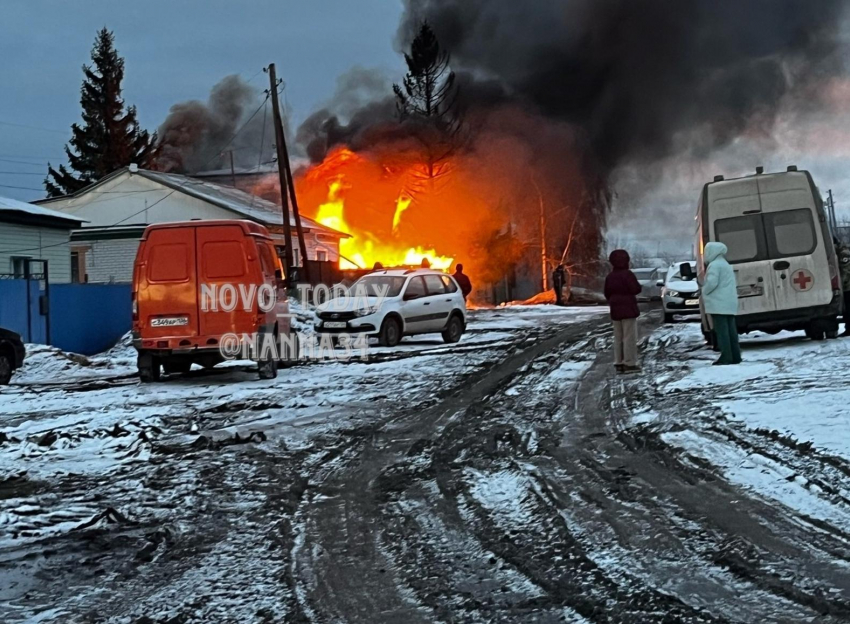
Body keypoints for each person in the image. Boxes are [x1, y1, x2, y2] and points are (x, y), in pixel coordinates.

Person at [702, 242, 741, 365]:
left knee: (722, 332)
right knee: (731, 331)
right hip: (729, 303)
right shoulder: (725, 264)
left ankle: (726, 356)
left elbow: (712, 283)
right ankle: (735, 355)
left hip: (718, 304)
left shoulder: (714, 265)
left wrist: (704, 290)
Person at [604, 249, 642, 373]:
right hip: (628, 308)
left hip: (615, 308)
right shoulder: (628, 274)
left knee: (618, 336)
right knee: (629, 336)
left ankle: (618, 362)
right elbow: (635, 289)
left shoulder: (610, 276)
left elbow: (607, 293)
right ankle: (629, 363)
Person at [834, 238, 850, 336]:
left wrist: (841, 285)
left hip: (848, 286)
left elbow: (846, 270)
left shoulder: (844, 254)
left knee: (848, 308)